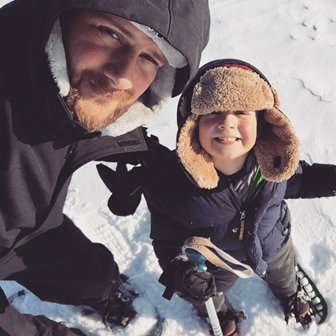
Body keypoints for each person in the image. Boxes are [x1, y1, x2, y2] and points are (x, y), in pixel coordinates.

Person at [0, 0, 210, 335]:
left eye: (149, 58)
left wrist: (150, 161)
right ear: (58, 15)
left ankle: (104, 295)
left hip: (31, 233)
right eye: (111, 33)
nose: (122, 77)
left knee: (94, 277)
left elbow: (92, 120)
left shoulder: (65, 80)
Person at [98, 59, 336, 335]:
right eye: (213, 112)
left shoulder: (273, 164)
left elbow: (302, 179)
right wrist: (181, 273)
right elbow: (166, 239)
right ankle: (221, 316)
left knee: (284, 275)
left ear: (262, 121)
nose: (227, 123)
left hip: (273, 243)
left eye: (241, 111)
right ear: (193, 124)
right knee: (207, 294)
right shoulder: (174, 184)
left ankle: (290, 294)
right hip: (214, 264)